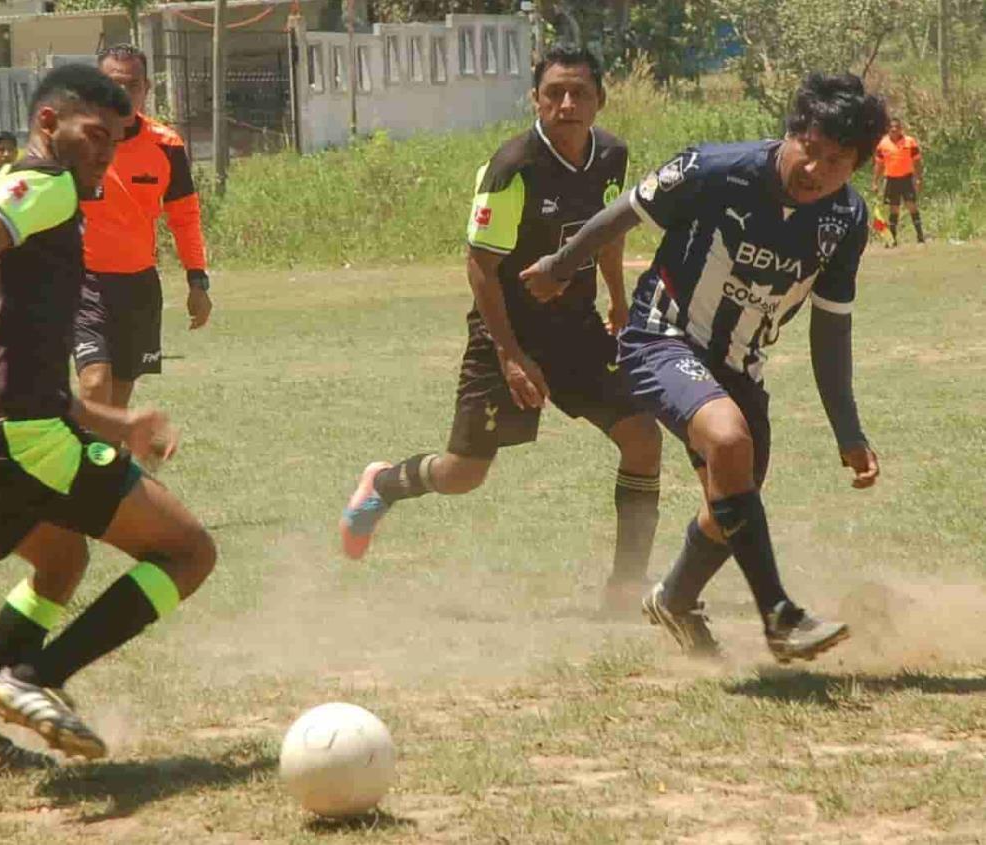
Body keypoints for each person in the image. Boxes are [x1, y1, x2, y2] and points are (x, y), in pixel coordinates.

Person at [521, 72, 887, 662]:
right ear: (791, 135)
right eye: (809, 150)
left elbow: (831, 327)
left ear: (857, 166)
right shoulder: (718, 169)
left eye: (836, 161)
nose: (815, 170)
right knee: (728, 439)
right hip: (662, 337)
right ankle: (780, 616)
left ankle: (675, 598)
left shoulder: (845, 220)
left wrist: (847, 429)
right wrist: (562, 265)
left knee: (730, 500)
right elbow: (627, 211)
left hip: (741, 366)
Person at [0, 64, 217, 775]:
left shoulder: (39, 199)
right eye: (93, 135)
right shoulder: (45, 187)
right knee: (187, 552)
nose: (104, 155)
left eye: (115, 143)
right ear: (48, 124)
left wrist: (114, 421)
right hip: (10, 429)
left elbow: (27, 363)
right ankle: (30, 678)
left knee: (60, 561)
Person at [339, 46, 663, 613]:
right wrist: (511, 355)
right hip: (506, 333)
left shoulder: (611, 155)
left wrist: (617, 298)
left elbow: (607, 232)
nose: (567, 103)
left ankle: (627, 586)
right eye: (554, 93)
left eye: (580, 92)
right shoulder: (514, 167)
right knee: (465, 474)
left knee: (642, 439)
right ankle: (384, 484)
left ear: (599, 100)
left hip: (578, 330)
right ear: (535, 100)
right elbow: (480, 266)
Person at [74, 43, 213, 410]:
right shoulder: (72, 143)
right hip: (82, 282)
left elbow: (184, 218)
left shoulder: (166, 146)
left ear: (146, 89)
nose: (122, 93)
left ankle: (98, 463)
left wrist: (197, 280)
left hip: (138, 286)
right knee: (93, 382)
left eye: (132, 85)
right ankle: (85, 463)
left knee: (118, 400)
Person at [872, 117, 924, 246]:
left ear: (901, 128)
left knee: (912, 206)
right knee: (893, 209)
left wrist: (918, 178)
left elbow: (917, 161)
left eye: (897, 127)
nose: (894, 129)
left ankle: (920, 237)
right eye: (892, 127)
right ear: (888, 129)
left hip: (906, 178)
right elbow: (879, 165)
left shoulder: (910, 142)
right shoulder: (883, 144)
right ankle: (892, 239)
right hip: (891, 180)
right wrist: (875, 182)